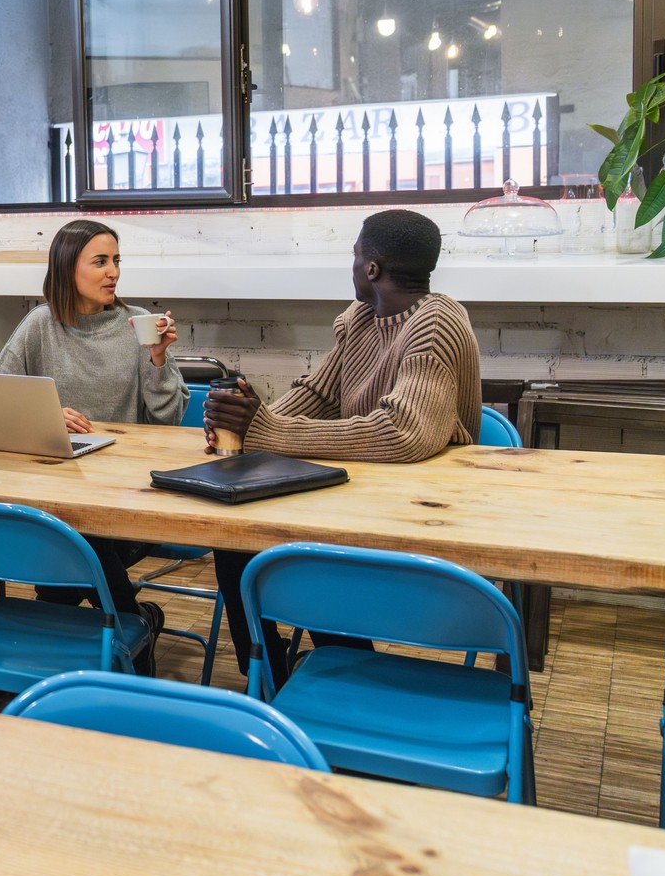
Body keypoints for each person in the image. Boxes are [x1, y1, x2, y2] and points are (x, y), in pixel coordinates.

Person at [203, 208, 482, 685]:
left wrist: (266, 430)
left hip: (415, 513)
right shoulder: (363, 318)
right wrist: (249, 421)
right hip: (359, 496)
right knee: (234, 544)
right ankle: (270, 681)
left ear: (371, 268)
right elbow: (318, 394)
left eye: (355, 254)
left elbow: (403, 433)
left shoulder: (436, 325)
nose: (352, 264)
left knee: (294, 559)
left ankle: (344, 682)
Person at [0, 219, 185, 667]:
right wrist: (44, 413)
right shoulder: (40, 324)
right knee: (67, 541)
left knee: (72, 546)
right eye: (99, 261)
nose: (112, 272)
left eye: (116, 260)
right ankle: (136, 624)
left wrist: (158, 361)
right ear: (67, 269)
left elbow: (169, 422)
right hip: (57, 487)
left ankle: (124, 633)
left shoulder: (139, 325)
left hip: (127, 497)